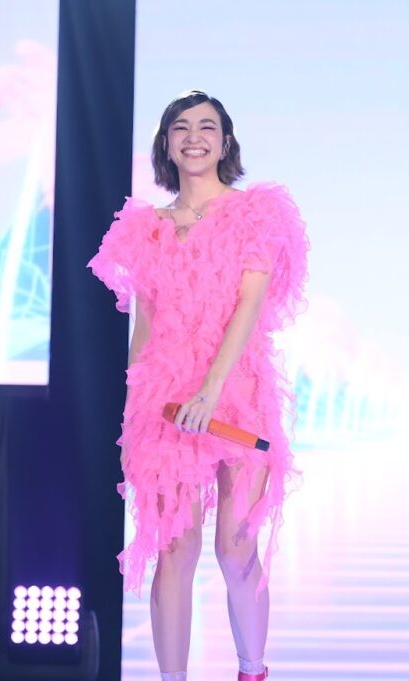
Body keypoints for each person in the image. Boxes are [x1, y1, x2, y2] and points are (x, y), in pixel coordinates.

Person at [89, 90, 308, 681]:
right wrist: (133, 419)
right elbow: (145, 325)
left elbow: (250, 304)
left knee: (236, 549)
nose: (194, 137)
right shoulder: (146, 228)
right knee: (173, 548)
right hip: (165, 404)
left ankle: (252, 669)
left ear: (225, 142)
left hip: (237, 392)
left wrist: (211, 389)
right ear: (165, 144)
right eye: (181, 127)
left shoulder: (255, 213)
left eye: (207, 127)